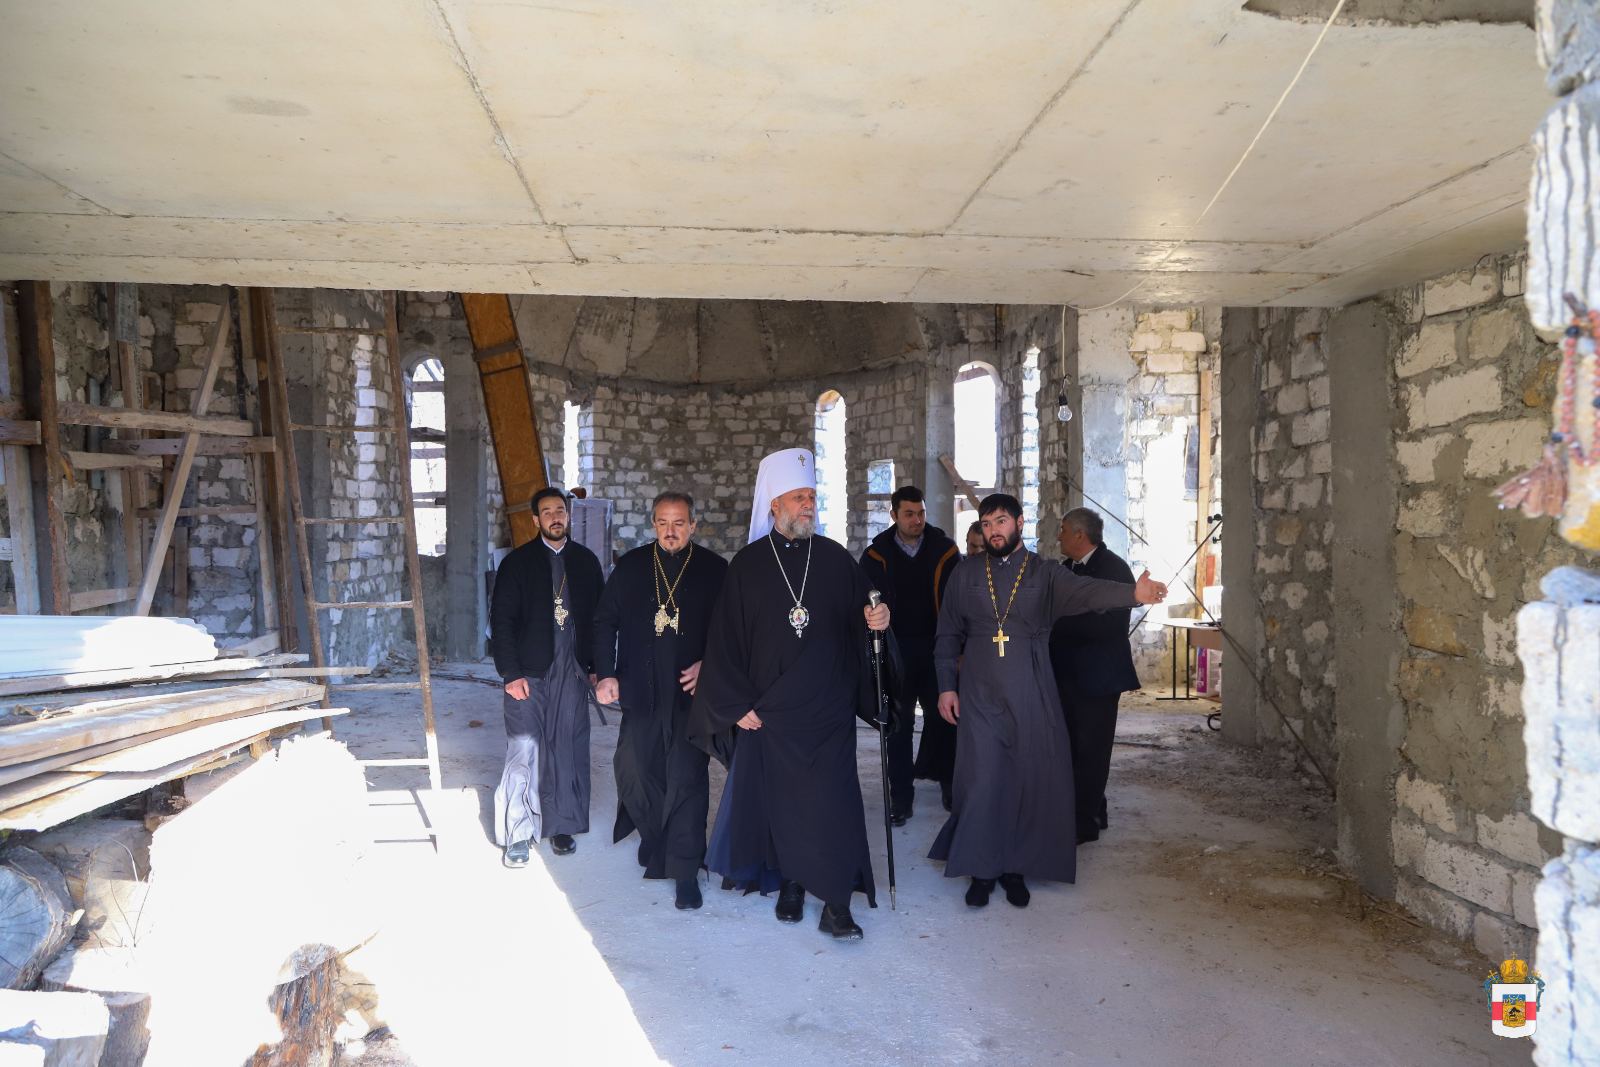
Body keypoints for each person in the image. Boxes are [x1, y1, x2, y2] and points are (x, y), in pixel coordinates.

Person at [690, 447, 891, 941]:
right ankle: (792, 885)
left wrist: (878, 620)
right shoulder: (748, 565)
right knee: (782, 804)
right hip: (771, 712)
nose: (808, 505)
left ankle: (837, 904)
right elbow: (724, 642)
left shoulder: (835, 558)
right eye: (799, 497)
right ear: (774, 504)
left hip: (828, 709)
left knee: (833, 803)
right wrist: (736, 705)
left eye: (812, 497)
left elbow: (867, 613)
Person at [930, 493, 1166, 908]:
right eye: (987, 524)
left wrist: (1134, 593)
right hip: (980, 691)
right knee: (983, 777)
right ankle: (982, 868)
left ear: (1019, 523)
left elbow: (1089, 592)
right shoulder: (965, 573)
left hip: (1031, 687)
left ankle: (1015, 867)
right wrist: (947, 686)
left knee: (1026, 776)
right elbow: (947, 632)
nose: (993, 531)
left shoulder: (1045, 573)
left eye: (1001, 521)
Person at [593, 491, 729, 910]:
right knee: (636, 768)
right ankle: (655, 837)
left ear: (693, 525)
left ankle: (685, 869)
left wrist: (710, 665)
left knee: (686, 777)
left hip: (691, 695)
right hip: (641, 688)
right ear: (654, 524)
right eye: (663, 523)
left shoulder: (714, 569)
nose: (671, 531)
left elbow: (733, 631)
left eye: (679, 523)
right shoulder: (632, 566)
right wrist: (606, 673)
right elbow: (604, 621)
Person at [489, 487, 604, 867]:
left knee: (567, 747)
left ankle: (562, 824)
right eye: (547, 512)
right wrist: (510, 672)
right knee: (524, 748)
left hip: (572, 671)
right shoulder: (517, 563)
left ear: (567, 516)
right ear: (536, 520)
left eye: (560, 510)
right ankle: (519, 834)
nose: (555, 517)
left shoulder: (585, 561)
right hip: (529, 672)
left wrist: (598, 668)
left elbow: (601, 621)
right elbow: (501, 621)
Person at [860, 486, 961, 820]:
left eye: (921, 513)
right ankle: (901, 798)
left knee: (945, 721)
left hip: (938, 650)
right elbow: (862, 603)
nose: (917, 520)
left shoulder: (946, 551)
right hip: (896, 653)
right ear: (894, 515)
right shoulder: (875, 555)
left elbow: (959, 603)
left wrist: (958, 649)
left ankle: (950, 786)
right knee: (898, 727)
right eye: (909, 514)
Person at [1049, 508, 1140, 845]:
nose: (1058, 536)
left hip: (1098, 678)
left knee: (1092, 751)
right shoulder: (1067, 569)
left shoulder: (1113, 569)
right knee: (1073, 748)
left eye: (1062, 530)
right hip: (1069, 675)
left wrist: (1057, 623)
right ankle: (1091, 811)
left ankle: (1084, 824)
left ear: (1079, 535)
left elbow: (1108, 626)